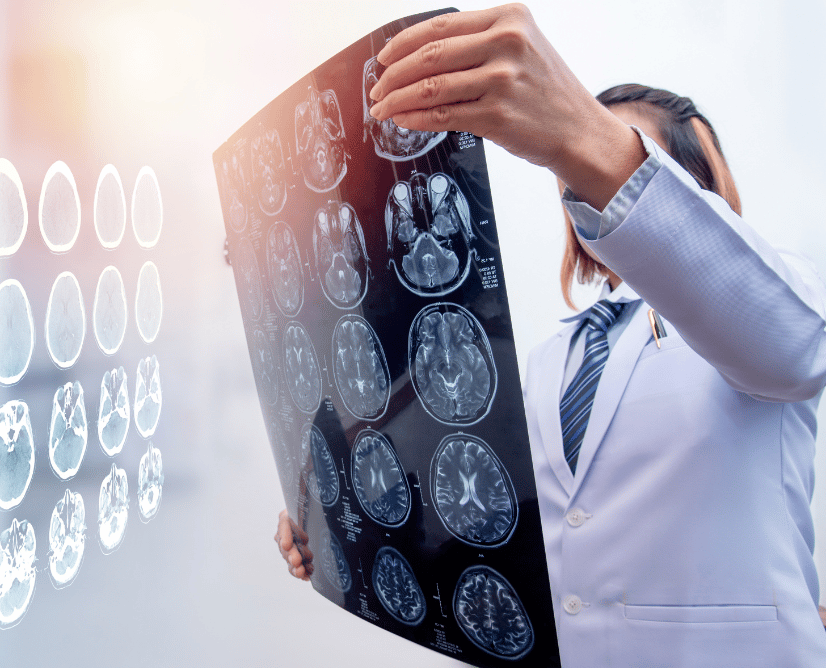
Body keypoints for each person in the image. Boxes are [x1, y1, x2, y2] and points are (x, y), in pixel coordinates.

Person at [274, 5, 826, 666]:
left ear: (693, 188)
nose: (582, 193)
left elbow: (795, 350)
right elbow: (496, 528)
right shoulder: (549, 357)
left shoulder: (778, 292)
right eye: (572, 179)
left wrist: (578, 133)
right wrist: (340, 526)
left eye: (608, 160)